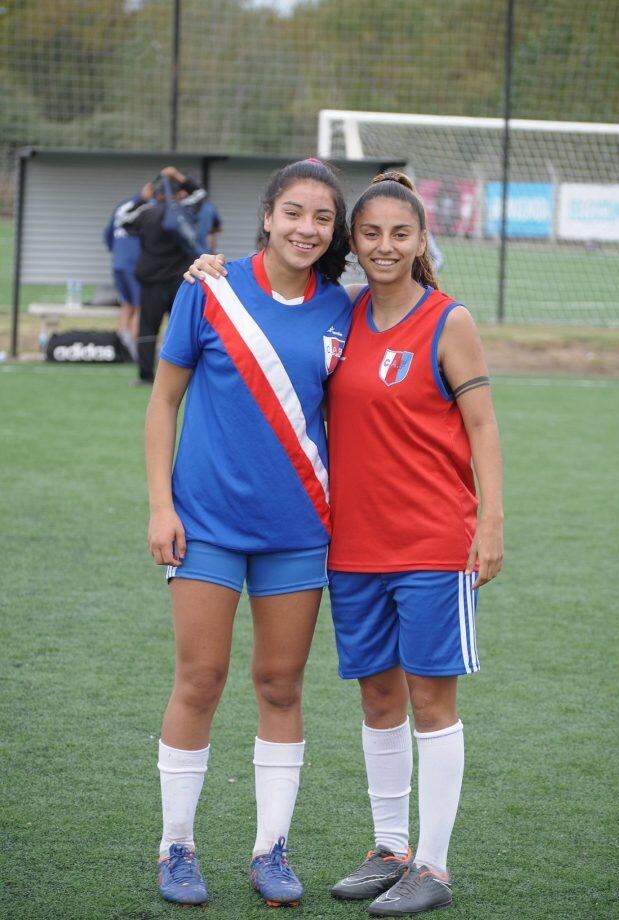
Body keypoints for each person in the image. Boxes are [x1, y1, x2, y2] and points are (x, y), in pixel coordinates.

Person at [190, 171, 503, 916]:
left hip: (432, 543)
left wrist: (490, 522)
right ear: (352, 246)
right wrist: (212, 265)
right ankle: (389, 847)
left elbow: (484, 425)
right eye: (371, 234)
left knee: (431, 698)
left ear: (423, 241)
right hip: (352, 546)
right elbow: (271, 297)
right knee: (379, 696)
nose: (386, 245)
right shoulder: (346, 314)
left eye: (401, 233)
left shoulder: (447, 320)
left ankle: (433, 864)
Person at [145, 159, 352, 908]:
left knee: (280, 684)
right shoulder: (207, 288)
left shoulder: (341, 311)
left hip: (299, 530)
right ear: (267, 216)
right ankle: (177, 847)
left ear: (333, 232)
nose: (306, 228)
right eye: (294, 212)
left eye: (322, 218)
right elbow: (164, 403)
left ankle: (270, 851)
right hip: (204, 524)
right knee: (199, 680)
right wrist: (160, 506)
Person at [120, 166, 207, 385]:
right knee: (181, 327)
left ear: (155, 194)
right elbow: (200, 194)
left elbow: (123, 220)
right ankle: (183, 375)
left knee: (148, 328)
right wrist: (179, 177)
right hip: (180, 280)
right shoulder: (183, 210)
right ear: (179, 193)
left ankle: (145, 375)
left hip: (150, 281)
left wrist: (141, 198)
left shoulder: (145, 213)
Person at [103, 184, 153, 361]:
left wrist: (118, 252)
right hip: (135, 264)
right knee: (141, 306)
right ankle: (135, 351)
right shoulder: (149, 207)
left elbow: (107, 235)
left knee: (127, 304)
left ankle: (121, 348)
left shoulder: (123, 205)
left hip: (118, 262)